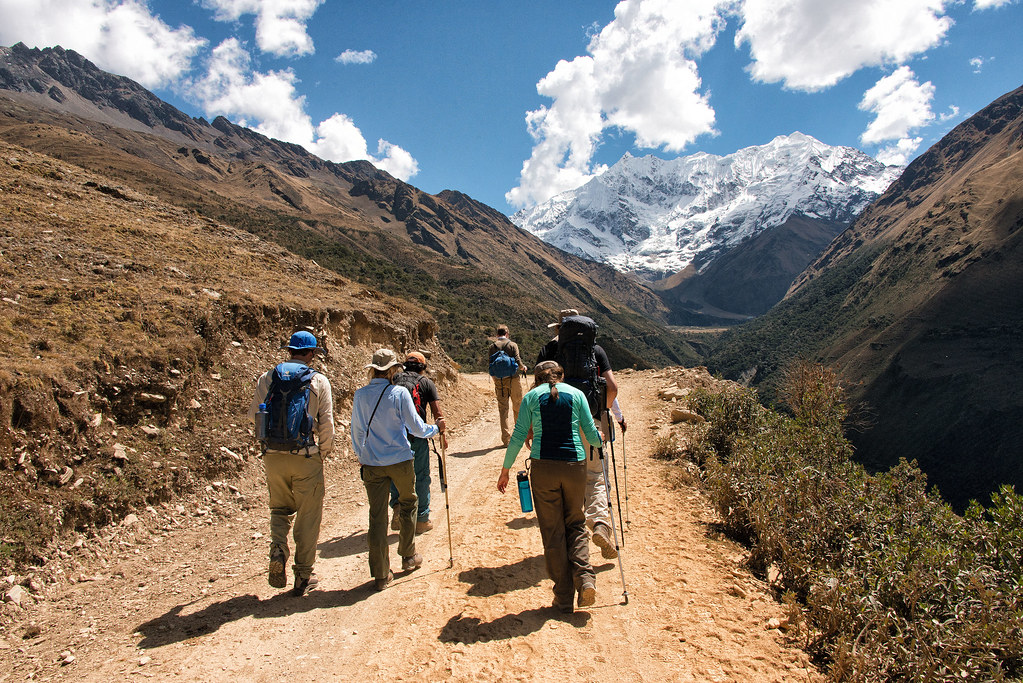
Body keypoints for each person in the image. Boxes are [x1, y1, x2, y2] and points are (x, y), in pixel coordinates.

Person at [498, 361, 603, 613]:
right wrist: (601, 442)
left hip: (543, 468)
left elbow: (519, 434)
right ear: (562, 376)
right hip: (574, 466)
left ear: (537, 379)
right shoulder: (577, 395)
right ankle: (586, 578)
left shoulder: (531, 397)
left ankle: (564, 596)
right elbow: (590, 434)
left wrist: (505, 470)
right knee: (575, 523)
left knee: (552, 530)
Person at [250, 330, 334, 596]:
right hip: (306, 455)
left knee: (279, 508)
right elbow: (326, 423)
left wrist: (266, 447)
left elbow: (254, 415)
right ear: (310, 354)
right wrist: (323, 453)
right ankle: (303, 575)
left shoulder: (268, 377)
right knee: (308, 516)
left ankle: (278, 548)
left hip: (273, 456)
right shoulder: (318, 380)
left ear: (290, 350)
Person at [351, 348, 442, 591]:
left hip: (372, 462)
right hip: (400, 460)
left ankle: (380, 574)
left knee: (376, 516)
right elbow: (416, 428)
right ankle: (408, 555)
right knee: (410, 502)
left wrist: (362, 456)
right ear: (392, 370)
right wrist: (436, 430)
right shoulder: (399, 393)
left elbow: (357, 431)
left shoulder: (360, 395)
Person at [538, 309, 620, 560]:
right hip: (590, 423)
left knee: (560, 484)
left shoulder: (548, 353)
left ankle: (567, 542)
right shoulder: (595, 350)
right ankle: (599, 524)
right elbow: (613, 388)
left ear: (559, 328)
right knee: (594, 476)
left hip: (554, 427)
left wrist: (532, 428)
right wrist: (601, 412)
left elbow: (536, 393)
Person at [389, 351, 448, 534]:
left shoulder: (395, 379)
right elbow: (437, 413)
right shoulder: (426, 383)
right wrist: (442, 434)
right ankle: (421, 519)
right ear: (423, 367)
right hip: (418, 436)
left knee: (396, 473)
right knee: (421, 476)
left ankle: (398, 506)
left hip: (394, 436)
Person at [488, 324, 527, 446]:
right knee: (517, 406)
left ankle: (506, 439)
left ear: (497, 334)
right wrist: (523, 368)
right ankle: (519, 436)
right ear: (507, 334)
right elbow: (518, 360)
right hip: (513, 379)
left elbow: (490, 365)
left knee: (503, 410)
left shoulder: (492, 346)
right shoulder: (512, 345)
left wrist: (495, 379)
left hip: (499, 380)